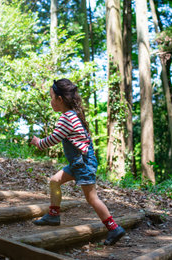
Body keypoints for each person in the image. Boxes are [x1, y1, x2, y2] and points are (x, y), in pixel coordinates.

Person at [30, 78, 125, 246]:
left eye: (52, 97)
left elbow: (52, 140)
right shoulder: (72, 115)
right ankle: (53, 215)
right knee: (54, 181)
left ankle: (113, 228)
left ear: (60, 99)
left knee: (92, 198)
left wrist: (38, 142)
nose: (50, 101)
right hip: (78, 162)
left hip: (83, 163)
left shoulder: (67, 118)